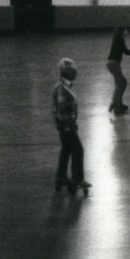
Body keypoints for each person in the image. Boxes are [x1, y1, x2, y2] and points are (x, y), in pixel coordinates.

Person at [52, 58, 91, 195]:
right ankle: (77, 179)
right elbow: (62, 108)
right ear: (68, 73)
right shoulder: (62, 89)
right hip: (67, 126)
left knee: (66, 149)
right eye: (73, 71)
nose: (76, 73)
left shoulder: (63, 87)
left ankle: (61, 175)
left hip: (64, 125)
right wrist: (69, 125)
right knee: (78, 150)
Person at [106, 25, 130, 114]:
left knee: (120, 83)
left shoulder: (116, 39)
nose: (126, 33)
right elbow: (126, 52)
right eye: (125, 31)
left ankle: (118, 103)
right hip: (114, 63)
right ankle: (116, 105)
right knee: (121, 84)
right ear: (121, 32)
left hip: (112, 63)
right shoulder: (119, 39)